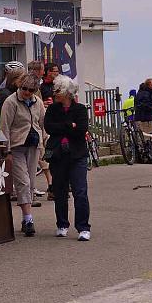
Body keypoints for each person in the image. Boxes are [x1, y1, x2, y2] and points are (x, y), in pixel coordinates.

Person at [44, 75, 91, 241]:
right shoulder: (52, 109)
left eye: (58, 91)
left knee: (80, 192)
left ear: (67, 93)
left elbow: (81, 130)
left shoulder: (80, 110)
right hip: (58, 155)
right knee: (60, 191)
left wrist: (65, 128)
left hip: (77, 155)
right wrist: (68, 126)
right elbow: (49, 127)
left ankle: (83, 227)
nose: (55, 94)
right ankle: (62, 224)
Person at [0, 72, 45, 237]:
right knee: (23, 182)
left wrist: (44, 143)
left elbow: (42, 123)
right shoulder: (10, 102)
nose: (27, 92)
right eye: (24, 88)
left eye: (31, 90)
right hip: (17, 146)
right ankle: (28, 219)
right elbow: (4, 127)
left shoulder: (37, 102)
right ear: (19, 86)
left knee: (31, 182)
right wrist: (7, 150)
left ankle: (26, 218)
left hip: (34, 145)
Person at [27, 60, 52, 202]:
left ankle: (51, 185)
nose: (44, 72)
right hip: (36, 128)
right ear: (37, 71)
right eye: (42, 70)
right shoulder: (33, 85)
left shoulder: (33, 85)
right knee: (43, 157)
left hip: (37, 128)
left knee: (43, 157)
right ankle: (50, 186)